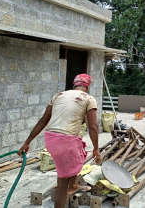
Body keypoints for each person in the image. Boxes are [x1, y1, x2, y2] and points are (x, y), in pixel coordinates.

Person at [18, 74, 101, 208]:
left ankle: (73, 184)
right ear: (87, 86)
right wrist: (96, 149)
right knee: (62, 184)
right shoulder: (89, 99)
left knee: (80, 151)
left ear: (74, 84)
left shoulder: (58, 95)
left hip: (51, 139)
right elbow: (93, 126)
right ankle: (62, 199)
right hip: (65, 142)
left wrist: (27, 142)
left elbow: (43, 120)